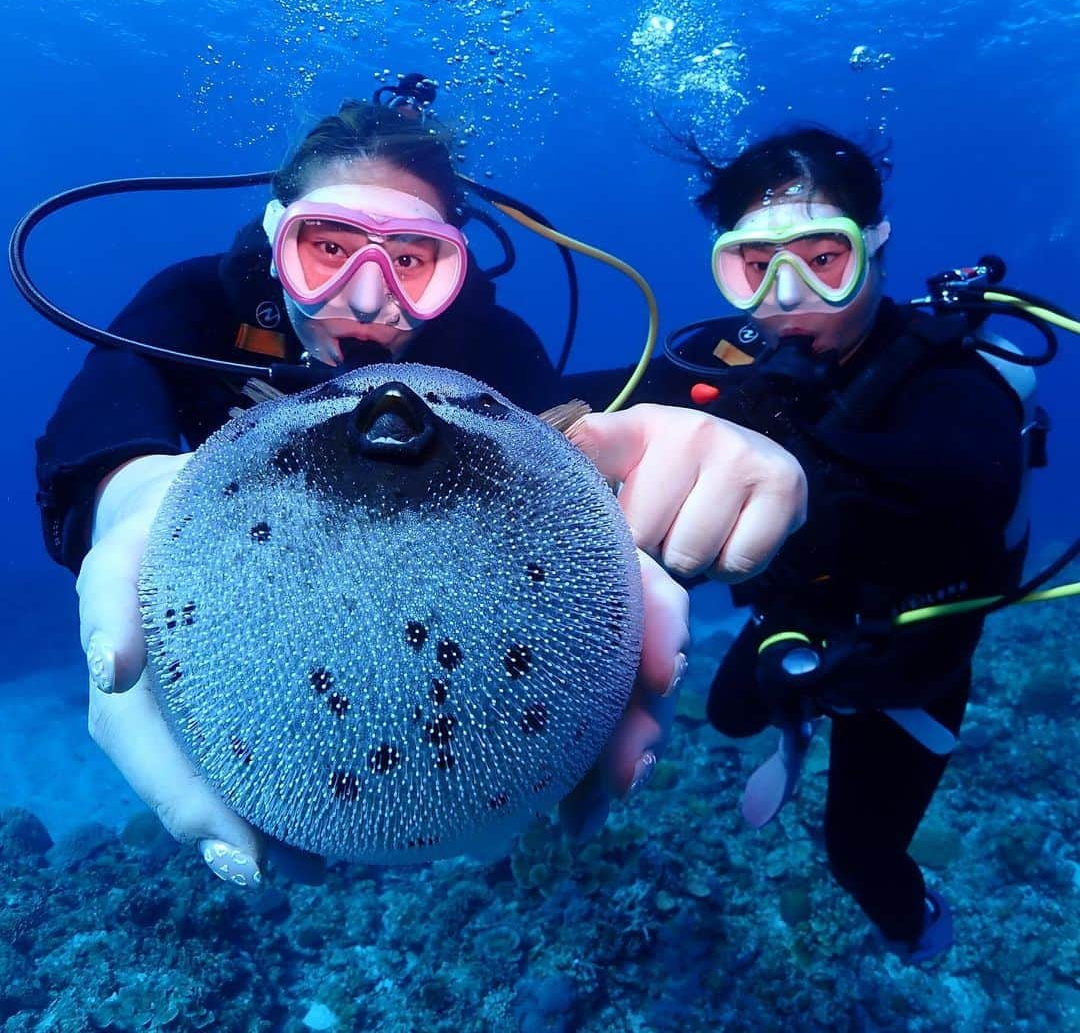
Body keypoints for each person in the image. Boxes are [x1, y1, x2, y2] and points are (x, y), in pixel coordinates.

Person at [33, 94, 808, 886]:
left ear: (455, 267)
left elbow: (564, 447)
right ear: (275, 239)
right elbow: (101, 406)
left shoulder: (484, 345)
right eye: (327, 248)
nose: (369, 300)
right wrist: (124, 493)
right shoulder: (198, 302)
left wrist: (707, 437)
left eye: (411, 260)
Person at [667, 126, 1031, 963]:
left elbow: (970, 479)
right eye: (755, 267)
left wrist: (787, 450)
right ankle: (799, 700)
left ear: (875, 250)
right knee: (726, 715)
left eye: (821, 258)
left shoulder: (942, 374)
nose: (786, 296)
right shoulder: (742, 369)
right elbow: (585, 405)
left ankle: (923, 933)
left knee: (859, 854)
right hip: (800, 618)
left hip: (911, 653)